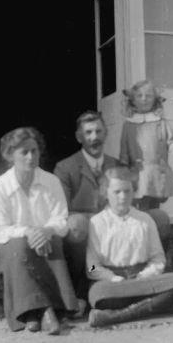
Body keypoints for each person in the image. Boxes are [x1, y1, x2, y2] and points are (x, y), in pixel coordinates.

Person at [0, 127, 80, 334]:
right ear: (10, 155)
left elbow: (61, 219)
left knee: (54, 240)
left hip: (46, 243)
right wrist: (29, 232)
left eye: (34, 151)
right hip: (9, 249)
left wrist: (46, 231)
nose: (31, 157)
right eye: (24, 152)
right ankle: (46, 312)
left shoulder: (51, 181)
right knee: (19, 246)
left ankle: (33, 315)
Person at [86, 166, 173, 328]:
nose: (123, 197)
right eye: (117, 192)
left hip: (143, 279)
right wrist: (111, 278)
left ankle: (113, 317)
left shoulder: (144, 220)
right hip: (114, 284)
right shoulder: (97, 223)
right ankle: (163, 306)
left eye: (127, 191)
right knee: (98, 294)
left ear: (133, 192)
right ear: (105, 193)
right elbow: (92, 266)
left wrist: (146, 274)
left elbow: (158, 258)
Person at [54, 111, 120, 307]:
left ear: (106, 133)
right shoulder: (65, 168)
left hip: (112, 226)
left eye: (99, 131)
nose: (94, 137)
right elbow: (61, 211)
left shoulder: (115, 165)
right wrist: (96, 220)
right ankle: (80, 291)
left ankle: (134, 283)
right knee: (78, 225)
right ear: (79, 137)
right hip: (82, 233)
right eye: (88, 132)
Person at [120, 80, 173, 211]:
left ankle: (156, 227)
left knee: (155, 204)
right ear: (132, 100)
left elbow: (172, 140)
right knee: (140, 203)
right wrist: (123, 164)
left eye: (148, 96)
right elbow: (124, 147)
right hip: (138, 171)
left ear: (155, 100)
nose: (144, 99)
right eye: (139, 96)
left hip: (157, 170)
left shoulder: (160, 122)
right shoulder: (128, 125)